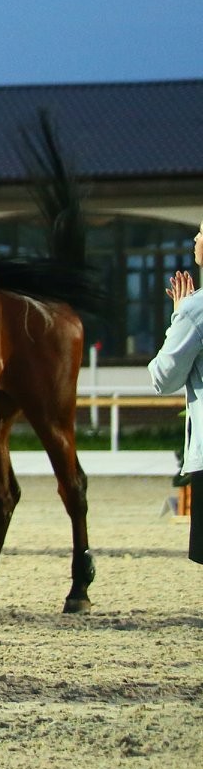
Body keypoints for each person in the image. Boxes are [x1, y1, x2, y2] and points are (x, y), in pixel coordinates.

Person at [149, 223, 203, 565]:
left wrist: (179, 317)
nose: (195, 239)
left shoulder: (195, 310)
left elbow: (163, 378)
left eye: (202, 232)